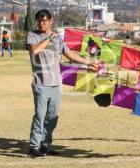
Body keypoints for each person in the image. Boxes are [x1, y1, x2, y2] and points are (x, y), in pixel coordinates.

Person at [27, 9, 98, 158]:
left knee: (52, 118)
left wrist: (88, 63)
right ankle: (34, 147)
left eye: (45, 20)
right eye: (39, 20)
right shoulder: (32, 35)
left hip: (56, 84)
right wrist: (49, 38)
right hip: (41, 84)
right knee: (39, 116)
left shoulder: (58, 39)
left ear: (50, 21)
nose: (42, 23)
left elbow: (70, 55)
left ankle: (45, 145)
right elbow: (35, 51)